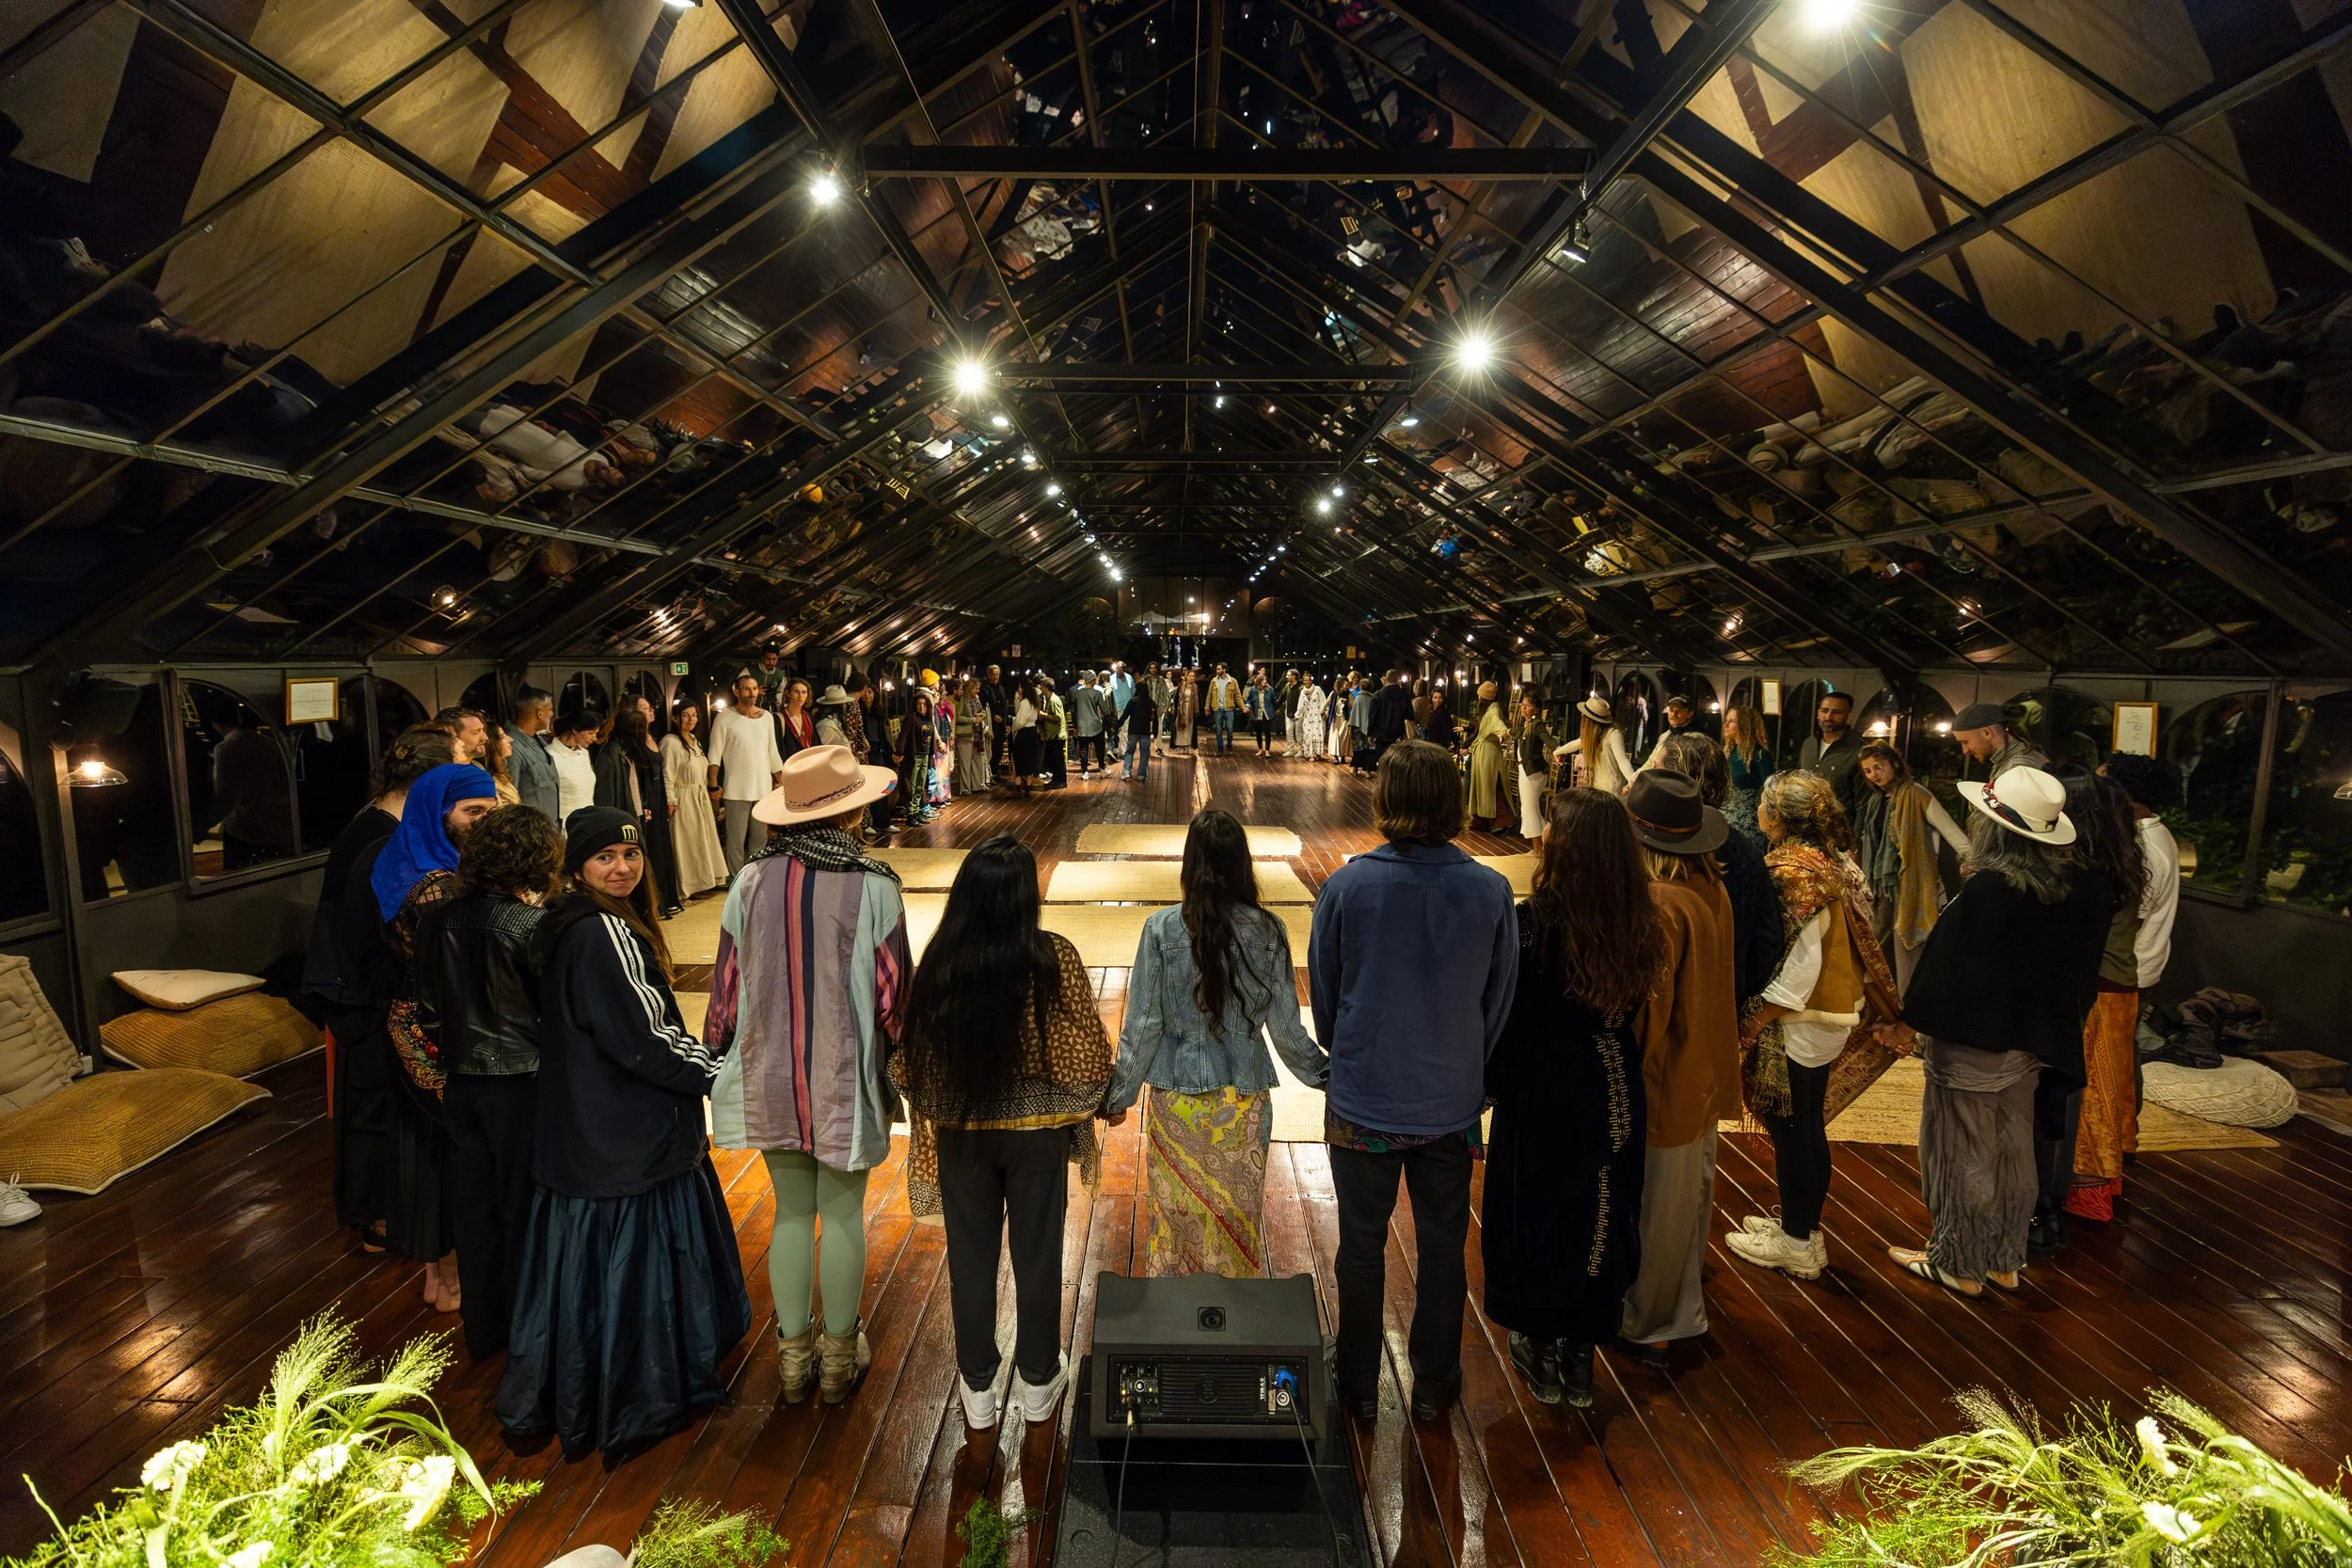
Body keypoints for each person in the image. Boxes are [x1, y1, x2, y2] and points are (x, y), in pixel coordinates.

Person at [498, 807, 748, 1459]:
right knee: (633, 1265)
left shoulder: (563, 923)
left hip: (580, 1126)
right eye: (605, 856)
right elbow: (648, 1041)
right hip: (626, 1132)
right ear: (577, 865)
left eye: (631, 855)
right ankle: (639, 1388)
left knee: (579, 1269)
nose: (622, 867)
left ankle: (573, 1389)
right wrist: (722, 1070)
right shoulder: (604, 931)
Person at [1309, 741, 1517, 1420]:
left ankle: (1359, 1384)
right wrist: (1468, 1064)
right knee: (1444, 1247)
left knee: (1361, 1246)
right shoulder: (1490, 889)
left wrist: (1353, 1051)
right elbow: (1499, 999)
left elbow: (1328, 992)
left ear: (1387, 798)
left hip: (1365, 1096)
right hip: (1450, 1101)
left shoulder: (1348, 885)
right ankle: (1433, 1383)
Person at [893, 836, 1117, 1430]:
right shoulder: (1053, 957)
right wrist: (1098, 1101)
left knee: (971, 1259)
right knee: (1039, 1256)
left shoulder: (941, 961)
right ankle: (1040, 1381)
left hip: (962, 1135)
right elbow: (1087, 1058)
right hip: (1036, 1136)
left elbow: (912, 1062)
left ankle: (977, 1389)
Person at [708, 746, 909, 1403]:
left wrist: (717, 1055)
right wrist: (905, 1064)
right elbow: (893, 994)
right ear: (852, 813)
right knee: (844, 1212)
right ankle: (837, 1360)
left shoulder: (747, 881)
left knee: (791, 1212)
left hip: (768, 1071)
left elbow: (725, 993)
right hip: (841, 1078)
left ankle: (793, 1361)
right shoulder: (874, 884)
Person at [1890, 767, 2109, 1296]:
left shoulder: (1988, 892)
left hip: (1974, 1045)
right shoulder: (2076, 887)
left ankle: (1959, 1264)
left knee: (1960, 1151)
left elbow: (1944, 976)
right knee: (2013, 1148)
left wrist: (1903, 1025)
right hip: (2034, 1044)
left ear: (1995, 830)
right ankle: (2005, 1260)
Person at [1484, 787, 1662, 1408]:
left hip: (1542, 1082)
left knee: (1537, 1209)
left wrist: (1490, 1083)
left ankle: (1536, 1342)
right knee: (1604, 1209)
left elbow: (1509, 1012)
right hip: (1613, 1079)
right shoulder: (1642, 919)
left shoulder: (1535, 920)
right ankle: (1580, 1356)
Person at [1107, 811, 1327, 1275]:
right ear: (1242, 866)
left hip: (1176, 1099)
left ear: (1189, 866)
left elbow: (1143, 1025)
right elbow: (1287, 1030)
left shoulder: (1161, 929)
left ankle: (1176, 1330)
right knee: (1236, 1223)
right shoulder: (1269, 931)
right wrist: (1327, 1076)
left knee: (1175, 1227)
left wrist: (1118, 1095)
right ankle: (1230, 1332)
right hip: (1244, 1101)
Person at [1724, 771, 1911, 1282]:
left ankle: (1799, 1243)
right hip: (1824, 1013)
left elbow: (1801, 966)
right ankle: (1800, 1226)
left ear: (1777, 817)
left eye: (1763, 805)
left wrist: (1753, 1022)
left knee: (1795, 1131)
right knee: (1804, 1128)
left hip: (1800, 1016)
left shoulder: (1794, 873)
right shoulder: (1834, 860)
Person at [341, 763, 501, 1309]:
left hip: (424, 1022)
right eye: (472, 812)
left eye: (490, 811)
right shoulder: (436, 885)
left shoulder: (418, 858)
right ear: (439, 813)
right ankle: (451, 1274)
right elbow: (459, 974)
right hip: (436, 1031)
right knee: (456, 1153)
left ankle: (441, 1274)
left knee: (437, 1150)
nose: (482, 823)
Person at [413, 804, 562, 1358]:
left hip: (460, 1083)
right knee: (526, 1208)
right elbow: (555, 1012)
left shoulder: (435, 921)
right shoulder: (531, 925)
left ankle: (485, 1332)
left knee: (473, 1211)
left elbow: (427, 1010)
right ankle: (533, 1335)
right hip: (523, 1082)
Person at [305, 725, 460, 1245]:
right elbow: (364, 927)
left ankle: (392, 1214)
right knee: (371, 1106)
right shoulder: (375, 834)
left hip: (373, 986)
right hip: (363, 989)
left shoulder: (389, 823)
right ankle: (377, 1220)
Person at [1618, 771, 1738, 1364]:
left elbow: (1651, 1011)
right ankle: (1678, 1310)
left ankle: (1652, 1323)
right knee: (1689, 1200)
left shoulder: (1660, 905)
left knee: (1657, 1209)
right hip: (1704, 1071)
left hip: (1665, 1078)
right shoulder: (1710, 885)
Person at [2031, 766, 2146, 1256]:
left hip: (2097, 990)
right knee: (2105, 1086)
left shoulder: (2086, 876)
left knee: (2083, 1097)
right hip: (2118, 985)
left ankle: (2068, 1194)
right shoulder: (2120, 862)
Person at [2069, 752, 2181, 1223]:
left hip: (2122, 972)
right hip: (2128, 967)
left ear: (2124, 798)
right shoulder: (2144, 839)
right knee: (2117, 1069)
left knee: (2105, 1076)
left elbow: (2120, 921)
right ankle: (2122, 1148)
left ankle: (2102, 1166)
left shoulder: (2143, 849)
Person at [1651, 733, 1784, 1006]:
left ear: (1677, 782)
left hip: (1664, 1002)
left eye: (1655, 770)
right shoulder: (1744, 849)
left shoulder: (1653, 845)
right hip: (1722, 999)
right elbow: (1767, 940)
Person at [1853, 742, 1966, 993]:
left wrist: (1973, 859)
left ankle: (1910, 1005)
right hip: (1883, 885)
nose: (1875, 775)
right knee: (1879, 938)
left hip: (1909, 882)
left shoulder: (1915, 794)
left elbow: (1950, 829)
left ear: (1894, 764)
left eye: (1878, 767)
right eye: (1868, 771)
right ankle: (1882, 1000)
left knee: (1906, 943)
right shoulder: (1875, 800)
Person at [595, 703, 680, 916]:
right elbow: (609, 793)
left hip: (637, 813)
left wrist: (641, 806)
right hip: (622, 816)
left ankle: (648, 907)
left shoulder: (625, 752)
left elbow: (634, 786)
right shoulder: (611, 752)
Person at [708, 673, 785, 875]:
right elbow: (714, 754)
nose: (752, 693)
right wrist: (713, 784)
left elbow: (773, 753)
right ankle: (736, 878)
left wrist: (783, 780)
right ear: (737, 691)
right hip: (736, 789)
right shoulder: (724, 718)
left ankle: (756, 876)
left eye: (754, 688)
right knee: (736, 839)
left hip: (762, 789)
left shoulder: (767, 717)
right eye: (747, 689)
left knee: (760, 838)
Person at [662, 700, 726, 899]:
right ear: (675, 718)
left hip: (699, 796)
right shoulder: (670, 742)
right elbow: (668, 774)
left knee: (701, 840)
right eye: (685, 715)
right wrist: (670, 801)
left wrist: (710, 788)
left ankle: (702, 882)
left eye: (694, 715)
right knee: (687, 842)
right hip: (684, 797)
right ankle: (687, 886)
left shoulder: (693, 740)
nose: (691, 719)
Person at [1800, 690, 1864, 818]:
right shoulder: (1809, 744)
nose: (1828, 717)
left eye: (1837, 712)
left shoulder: (1858, 750)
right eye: (1824, 711)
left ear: (1849, 716)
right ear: (1818, 713)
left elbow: (1863, 803)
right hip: (1807, 824)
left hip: (1839, 828)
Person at [1556, 693, 1633, 796]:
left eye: (1583, 715)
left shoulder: (1613, 734)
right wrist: (1557, 752)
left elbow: (1623, 761)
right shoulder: (1592, 735)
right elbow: (1576, 744)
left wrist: (1633, 782)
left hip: (1611, 791)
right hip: (1597, 787)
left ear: (1587, 719)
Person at [504, 687, 560, 825]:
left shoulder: (538, 741)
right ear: (540, 713)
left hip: (549, 829)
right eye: (550, 709)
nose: (552, 714)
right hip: (529, 831)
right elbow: (510, 795)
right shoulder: (512, 746)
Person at [1953, 701, 2046, 782]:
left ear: (1986, 733)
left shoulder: (2016, 770)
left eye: (1965, 742)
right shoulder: (2014, 760)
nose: (1965, 751)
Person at [850, 674, 896, 839]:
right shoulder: (856, 710)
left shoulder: (878, 713)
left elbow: (883, 737)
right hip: (863, 752)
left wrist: (892, 753)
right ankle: (868, 822)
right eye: (866, 692)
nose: (868, 695)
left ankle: (884, 821)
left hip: (877, 752)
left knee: (881, 786)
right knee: (868, 788)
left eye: (871, 692)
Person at [1721, 705, 1771, 848]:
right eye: (1726, 720)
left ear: (1744, 724)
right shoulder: (1728, 752)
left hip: (1747, 821)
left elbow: (1768, 791)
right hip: (1725, 813)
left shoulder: (1760, 755)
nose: (1726, 725)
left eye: (1731, 721)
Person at [1468, 680, 1510, 832]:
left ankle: (1500, 820)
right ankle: (1482, 819)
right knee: (1482, 786)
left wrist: (1502, 733)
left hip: (1489, 754)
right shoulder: (1489, 711)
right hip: (1483, 752)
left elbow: (1499, 725)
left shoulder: (1493, 711)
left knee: (1490, 786)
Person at [549, 708, 600, 826]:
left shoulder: (584, 753)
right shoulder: (551, 755)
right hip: (565, 826)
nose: (595, 738)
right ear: (575, 730)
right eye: (591, 733)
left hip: (589, 822)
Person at [899, 689, 941, 821]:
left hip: (924, 755)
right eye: (919, 704)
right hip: (914, 756)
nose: (921, 706)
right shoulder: (912, 718)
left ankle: (917, 812)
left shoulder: (927, 719)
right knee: (911, 786)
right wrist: (899, 752)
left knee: (920, 786)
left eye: (924, 704)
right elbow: (903, 736)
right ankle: (911, 814)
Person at [1368, 669, 1415, 768]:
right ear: (1398, 680)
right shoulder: (1404, 695)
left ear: (1386, 679)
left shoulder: (1377, 695)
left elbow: (1372, 717)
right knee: (1396, 761)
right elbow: (1410, 715)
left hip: (1382, 734)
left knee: (1382, 760)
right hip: (1398, 734)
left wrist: (1370, 734)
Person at [1641, 695, 1702, 768]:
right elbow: (1651, 761)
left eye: (1679, 711)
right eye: (1671, 710)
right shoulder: (1665, 735)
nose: (1674, 714)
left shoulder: (1694, 739)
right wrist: (1636, 776)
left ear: (1689, 714)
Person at [1120, 675, 1160, 782]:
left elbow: (1124, 716)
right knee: (1144, 753)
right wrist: (1155, 731)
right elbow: (1155, 719)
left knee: (1129, 751)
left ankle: (1126, 772)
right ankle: (1141, 774)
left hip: (1133, 730)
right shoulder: (1151, 703)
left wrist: (1116, 726)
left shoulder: (1132, 701)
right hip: (1145, 731)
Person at [1069, 670, 1106, 776]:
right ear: (1092, 680)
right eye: (1095, 679)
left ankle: (1085, 772)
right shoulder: (1097, 693)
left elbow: (1074, 710)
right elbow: (1105, 710)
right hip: (1095, 725)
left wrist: (1075, 726)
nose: (1096, 680)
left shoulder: (1077, 693)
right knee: (1099, 748)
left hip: (1082, 725)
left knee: (1083, 749)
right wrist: (1112, 722)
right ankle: (1102, 770)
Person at [773, 676, 818, 761]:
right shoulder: (779, 719)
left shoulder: (807, 717)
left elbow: (815, 744)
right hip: (790, 768)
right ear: (788, 693)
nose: (800, 696)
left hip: (809, 766)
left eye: (804, 692)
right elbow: (777, 749)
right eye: (796, 692)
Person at [1038, 674, 1069, 788]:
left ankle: (1061, 780)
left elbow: (1058, 717)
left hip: (1057, 735)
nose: (1040, 688)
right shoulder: (1049, 699)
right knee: (1054, 759)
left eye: (1041, 686)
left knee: (1058, 760)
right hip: (1052, 735)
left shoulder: (1054, 700)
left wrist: (1044, 715)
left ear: (1046, 687)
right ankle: (1056, 779)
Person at [1208, 663, 1242, 753]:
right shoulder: (1214, 681)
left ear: (1224, 670)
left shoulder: (1233, 681)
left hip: (1229, 709)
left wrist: (1243, 707)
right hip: (1218, 708)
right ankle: (1220, 749)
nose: (1217, 671)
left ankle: (1229, 746)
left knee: (1230, 729)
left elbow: (1238, 696)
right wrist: (1207, 707)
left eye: (1219, 669)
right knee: (1218, 730)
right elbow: (1209, 695)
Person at [749, 641, 790, 712]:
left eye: (774, 659)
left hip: (769, 712)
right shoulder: (749, 671)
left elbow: (781, 692)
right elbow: (736, 689)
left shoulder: (780, 674)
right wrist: (755, 690)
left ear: (778, 658)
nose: (771, 662)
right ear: (763, 658)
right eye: (768, 659)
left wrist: (777, 699)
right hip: (749, 711)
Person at [1246, 668, 1279, 754]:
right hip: (1258, 713)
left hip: (1268, 713)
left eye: (1265, 680)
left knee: (1267, 732)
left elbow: (1274, 701)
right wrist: (1247, 707)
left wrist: (1277, 709)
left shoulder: (1270, 689)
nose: (1265, 681)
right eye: (1263, 680)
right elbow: (1249, 700)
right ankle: (1260, 749)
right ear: (1259, 681)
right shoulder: (1253, 690)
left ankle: (1267, 750)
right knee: (1258, 732)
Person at [1296, 674, 1328, 762]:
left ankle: (1318, 753)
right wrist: (1298, 715)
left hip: (1317, 716)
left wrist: (1325, 712)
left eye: (1309, 680)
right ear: (1303, 682)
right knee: (1308, 735)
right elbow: (1300, 705)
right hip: (1308, 717)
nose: (1308, 682)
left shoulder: (1318, 689)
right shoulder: (1303, 692)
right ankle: (1311, 754)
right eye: (1306, 680)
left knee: (1318, 734)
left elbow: (1323, 701)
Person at [1175, 667, 1200, 751]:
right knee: (1181, 726)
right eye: (1189, 676)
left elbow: (1198, 700)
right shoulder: (1182, 686)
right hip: (1182, 709)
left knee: (1189, 727)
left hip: (1190, 709)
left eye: (1193, 676)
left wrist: (1197, 711)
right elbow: (1177, 698)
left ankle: (1188, 744)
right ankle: (1181, 744)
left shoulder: (1195, 687)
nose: (1191, 678)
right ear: (1186, 676)